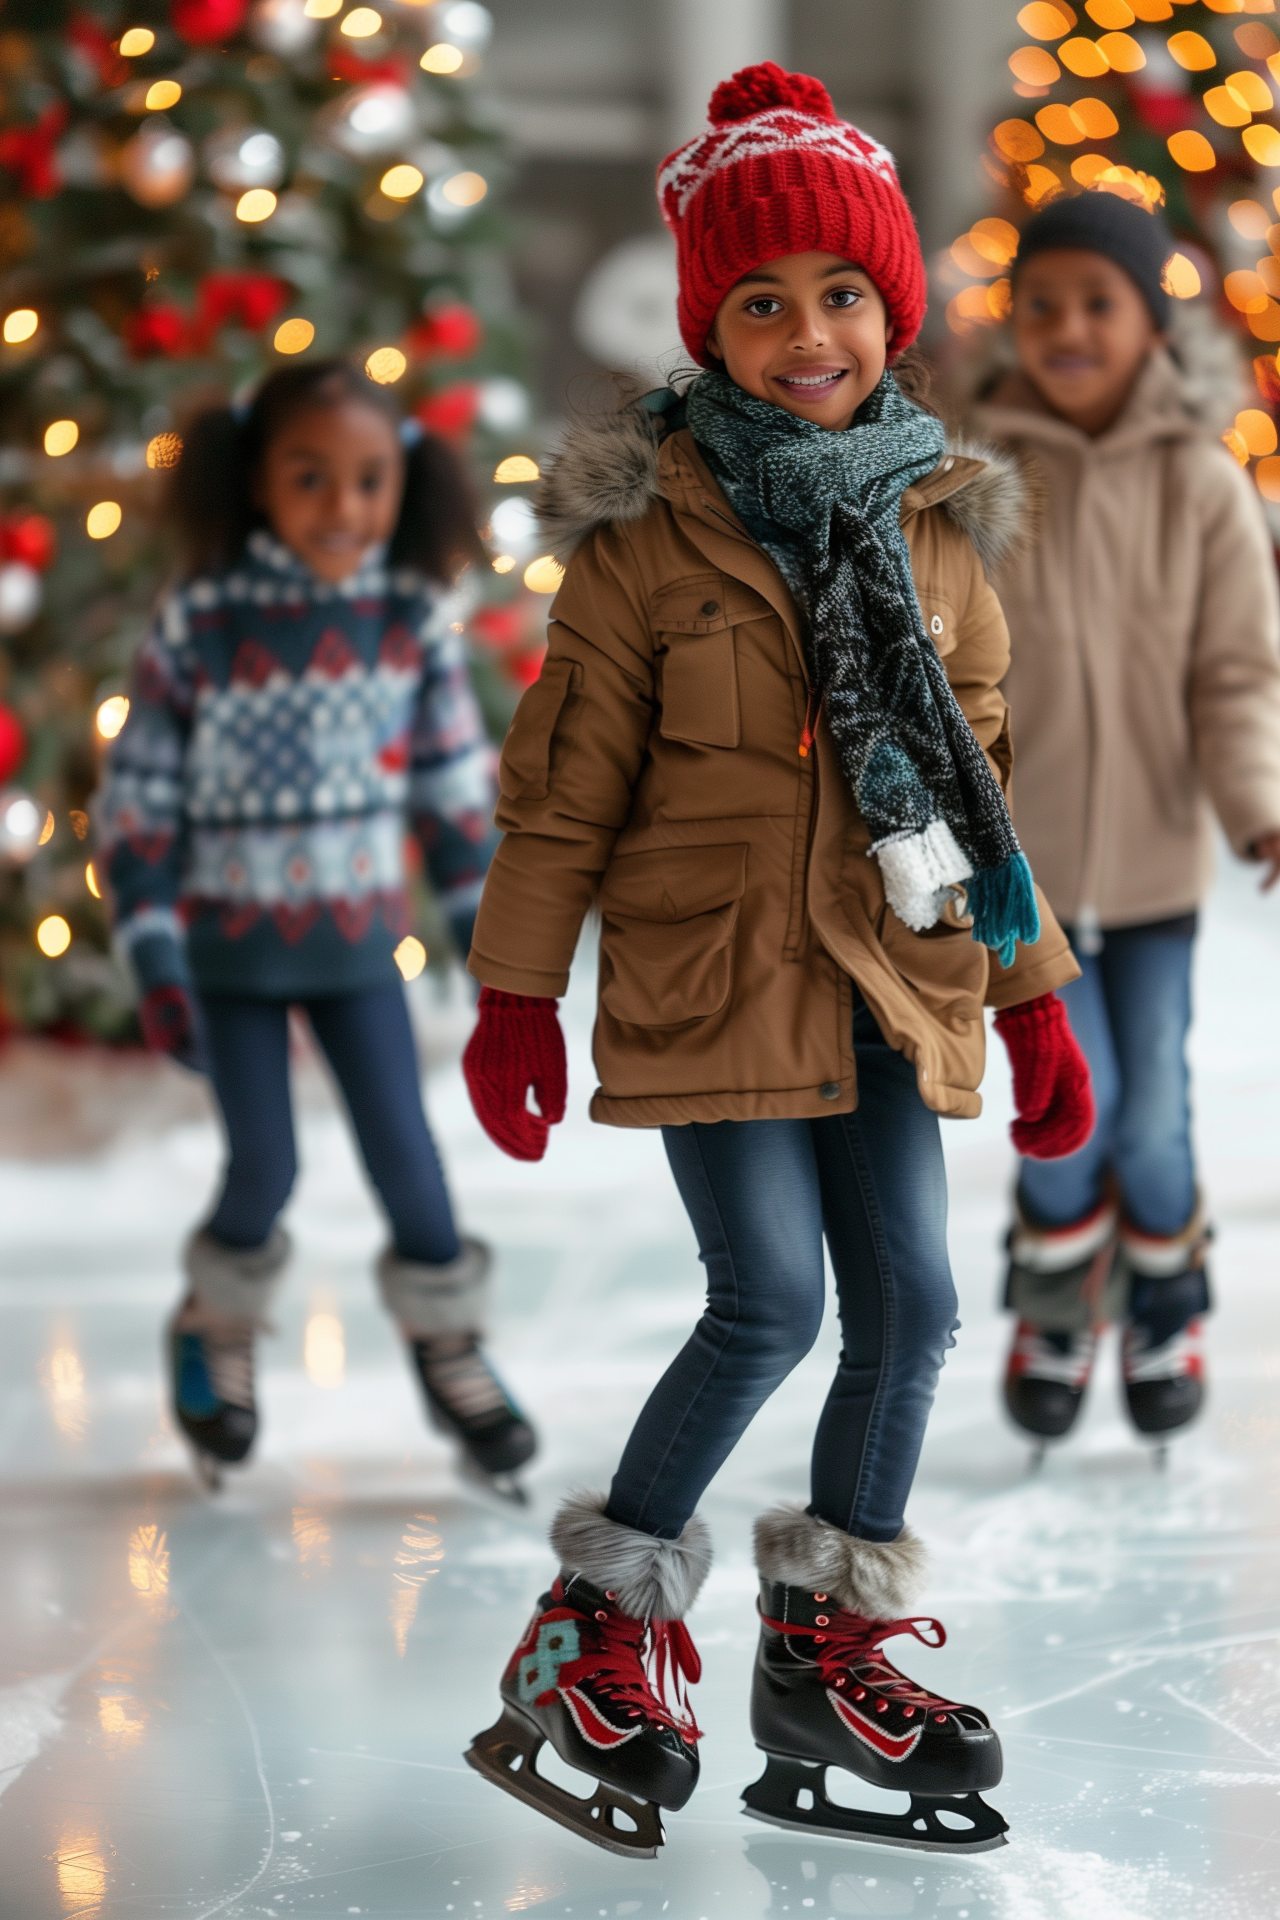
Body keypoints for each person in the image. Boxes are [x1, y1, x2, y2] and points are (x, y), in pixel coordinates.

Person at [458, 63, 1092, 1857]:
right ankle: (593, 1632)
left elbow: (979, 795)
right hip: (714, 975)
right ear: (707, 326)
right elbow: (564, 793)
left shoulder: (944, 530)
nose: (804, 333)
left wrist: (1036, 1000)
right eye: (759, 299)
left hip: (891, 976)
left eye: (838, 294)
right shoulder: (646, 541)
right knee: (770, 1306)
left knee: (912, 1302)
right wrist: (515, 991)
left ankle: (826, 1654)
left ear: (891, 311)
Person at [95, 358, 536, 1495]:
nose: (343, 508)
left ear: (405, 483)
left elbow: (448, 794)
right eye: (310, 478)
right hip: (230, 959)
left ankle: (451, 1344)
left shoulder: (408, 617)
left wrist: (498, 960)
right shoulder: (203, 619)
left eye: (368, 481)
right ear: (255, 483)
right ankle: (214, 1324)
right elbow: (137, 799)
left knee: (411, 1161)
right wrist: (153, 949)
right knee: (265, 1166)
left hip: (354, 954)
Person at [964, 192, 1280, 1460]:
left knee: (1150, 1112)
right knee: (1060, 1109)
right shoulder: (972, 476)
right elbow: (941, 667)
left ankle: (1164, 1300)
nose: (1066, 328)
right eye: (1039, 304)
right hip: (1017, 877)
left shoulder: (1201, 485)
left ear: (1151, 323)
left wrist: (1255, 811)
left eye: (1097, 303)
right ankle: (1052, 1301)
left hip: (1148, 870)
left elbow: (1235, 675)